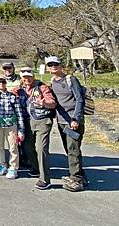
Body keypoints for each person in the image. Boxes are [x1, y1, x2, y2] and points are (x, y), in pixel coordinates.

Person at [46, 56, 88, 192]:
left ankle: (75, 180)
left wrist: (75, 119)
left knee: (73, 150)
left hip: (73, 121)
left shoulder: (71, 79)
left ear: (61, 65)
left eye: (55, 64)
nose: (53, 66)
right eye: (50, 64)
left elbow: (79, 100)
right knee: (69, 149)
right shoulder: (52, 81)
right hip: (61, 121)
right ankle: (81, 176)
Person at [15, 66, 57, 190]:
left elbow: (52, 103)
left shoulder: (42, 87)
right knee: (27, 147)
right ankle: (35, 168)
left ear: (33, 76)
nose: (27, 79)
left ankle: (45, 179)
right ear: (21, 78)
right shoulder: (20, 89)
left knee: (41, 148)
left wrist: (44, 103)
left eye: (29, 76)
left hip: (42, 121)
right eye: (24, 77)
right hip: (27, 122)